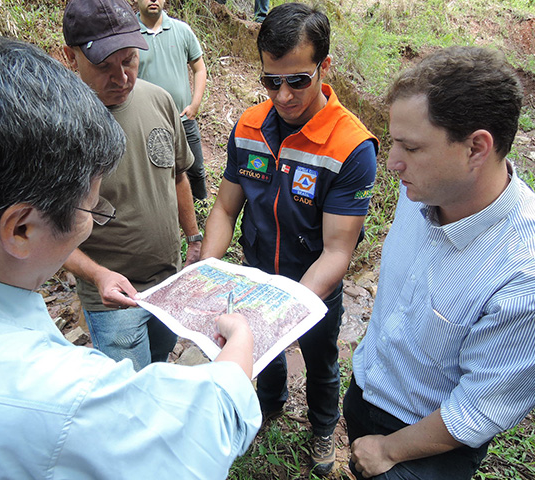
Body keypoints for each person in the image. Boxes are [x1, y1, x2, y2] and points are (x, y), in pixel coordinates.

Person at [0, 36, 260, 479]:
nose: (92, 220)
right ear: (21, 229)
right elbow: (209, 425)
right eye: (91, 208)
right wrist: (241, 342)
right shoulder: (68, 401)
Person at [200, 3, 378, 476]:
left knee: (321, 359)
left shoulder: (350, 146)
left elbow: (339, 249)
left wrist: (287, 304)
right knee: (261, 348)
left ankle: (322, 426)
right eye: (271, 81)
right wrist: (204, 271)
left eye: (298, 80)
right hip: (256, 271)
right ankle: (269, 401)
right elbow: (224, 207)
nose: (283, 95)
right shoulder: (250, 125)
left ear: (325, 66)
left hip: (312, 282)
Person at [345, 46, 535, 480]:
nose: (392, 164)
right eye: (393, 141)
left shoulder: (523, 274)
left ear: (476, 148)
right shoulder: (424, 189)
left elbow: (478, 406)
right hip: (367, 389)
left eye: (410, 147)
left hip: (423, 448)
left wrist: (388, 449)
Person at [62, 0, 204, 371]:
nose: (122, 77)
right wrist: (97, 275)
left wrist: (193, 239)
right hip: (113, 302)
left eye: (128, 60)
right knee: (131, 395)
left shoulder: (159, 100)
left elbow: (177, 175)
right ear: (69, 56)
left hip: (168, 281)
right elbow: (43, 234)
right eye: (104, 66)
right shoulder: (57, 131)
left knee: (158, 362)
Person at [136, 0, 208, 200]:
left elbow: (199, 68)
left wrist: (195, 103)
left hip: (183, 120)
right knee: (157, 176)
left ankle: (201, 211)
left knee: (196, 170)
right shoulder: (128, 35)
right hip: (147, 123)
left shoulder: (181, 30)